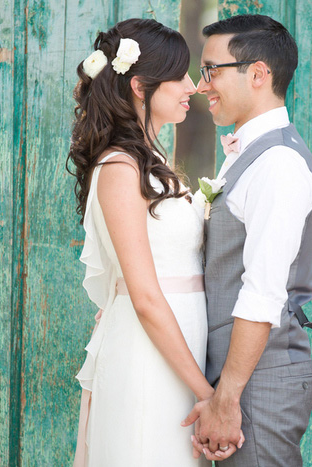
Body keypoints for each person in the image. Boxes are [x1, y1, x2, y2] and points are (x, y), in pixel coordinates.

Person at [67, 19, 240, 466]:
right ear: (141, 87)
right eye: (180, 76)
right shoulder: (121, 169)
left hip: (180, 347)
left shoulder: (152, 161)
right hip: (148, 353)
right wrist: (210, 396)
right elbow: (144, 296)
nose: (192, 87)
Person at [182, 14, 312, 466]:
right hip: (238, 381)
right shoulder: (249, 156)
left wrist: (227, 399)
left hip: (258, 385)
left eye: (211, 70)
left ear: (258, 74)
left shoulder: (278, 164)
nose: (203, 85)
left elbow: (262, 294)